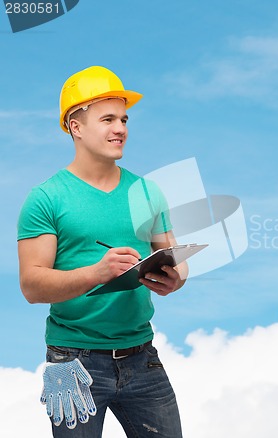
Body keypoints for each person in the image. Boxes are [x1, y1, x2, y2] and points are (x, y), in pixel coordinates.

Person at [17, 66, 186, 437]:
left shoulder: (147, 191)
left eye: (124, 119)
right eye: (107, 118)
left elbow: (175, 258)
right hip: (71, 363)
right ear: (75, 127)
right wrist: (98, 272)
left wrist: (175, 277)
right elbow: (31, 285)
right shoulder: (46, 198)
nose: (120, 128)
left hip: (143, 358)